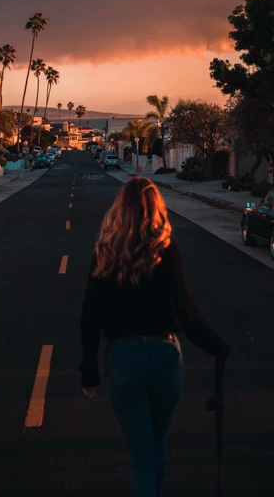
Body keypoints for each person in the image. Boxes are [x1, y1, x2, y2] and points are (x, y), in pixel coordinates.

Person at [79, 176, 231, 497]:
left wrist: (89, 371)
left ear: (121, 209)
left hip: (123, 359)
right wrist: (213, 346)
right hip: (164, 357)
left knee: (140, 457)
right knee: (156, 446)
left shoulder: (105, 251)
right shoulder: (166, 248)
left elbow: (90, 316)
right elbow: (185, 308)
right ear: (156, 208)